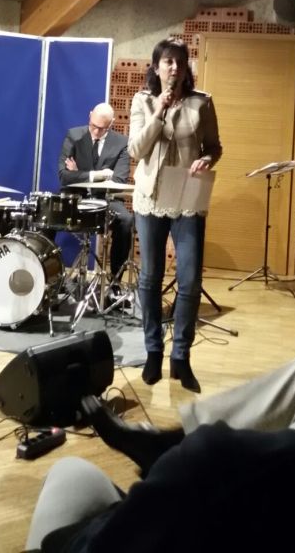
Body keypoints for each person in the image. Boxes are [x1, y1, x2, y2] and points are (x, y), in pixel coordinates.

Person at [25, 206, 295, 552]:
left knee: (70, 472)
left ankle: (171, 430)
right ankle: (168, 435)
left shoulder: (212, 467)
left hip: (171, 511)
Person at [128, 37, 222, 392]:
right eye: (167, 61)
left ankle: (181, 356)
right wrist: (159, 111)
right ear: (156, 67)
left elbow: (214, 147)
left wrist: (206, 159)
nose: (174, 67)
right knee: (150, 278)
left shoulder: (202, 102)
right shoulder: (142, 100)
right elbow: (137, 150)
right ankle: (153, 351)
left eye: (180, 62)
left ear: (186, 68)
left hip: (187, 195)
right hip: (151, 197)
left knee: (190, 281)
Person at [58, 104, 133, 282]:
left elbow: (119, 181)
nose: (97, 132)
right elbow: (64, 176)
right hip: (76, 196)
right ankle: (48, 277)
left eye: (102, 128)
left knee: (127, 221)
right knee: (47, 215)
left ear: (112, 123)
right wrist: (97, 175)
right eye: (93, 126)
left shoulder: (122, 143)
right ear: (90, 115)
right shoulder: (74, 135)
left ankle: (115, 280)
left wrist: (78, 173)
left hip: (106, 199)